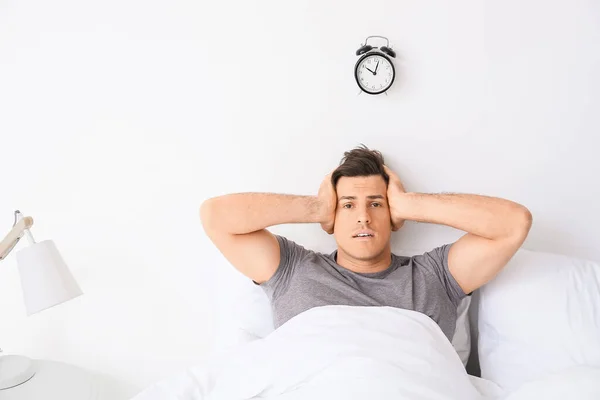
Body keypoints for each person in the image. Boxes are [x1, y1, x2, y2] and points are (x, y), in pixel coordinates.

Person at [199, 145, 532, 342]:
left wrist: (409, 204)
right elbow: (215, 216)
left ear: (392, 214)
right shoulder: (293, 270)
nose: (363, 217)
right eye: (348, 205)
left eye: (376, 204)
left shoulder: (435, 276)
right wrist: (316, 207)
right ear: (332, 215)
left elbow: (514, 224)